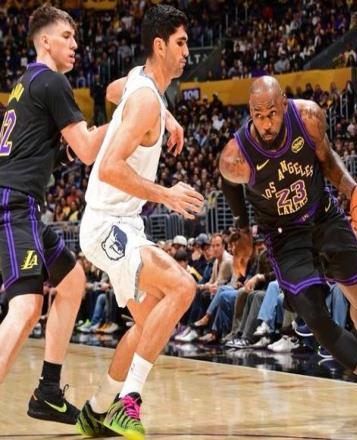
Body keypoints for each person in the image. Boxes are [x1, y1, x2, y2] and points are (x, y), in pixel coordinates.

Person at [219, 76, 357, 438]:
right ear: (250, 112)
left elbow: (328, 161)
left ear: (284, 104)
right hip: (285, 236)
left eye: (272, 113)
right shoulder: (236, 156)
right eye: (258, 115)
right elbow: (227, 182)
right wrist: (244, 232)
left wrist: (356, 195)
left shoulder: (308, 117)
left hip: (324, 215)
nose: (266, 123)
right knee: (314, 314)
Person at [75, 5, 204, 439]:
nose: (187, 52)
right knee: (182, 287)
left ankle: (96, 410)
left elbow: (115, 91)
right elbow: (110, 166)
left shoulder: (139, 82)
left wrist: (164, 114)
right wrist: (167, 194)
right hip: (107, 224)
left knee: (151, 325)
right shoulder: (147, 97)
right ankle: (128, 403)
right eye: (181, 43)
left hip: (121, 222)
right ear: (160, 45)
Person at [0, 5, 111, 424]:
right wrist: (128, 118)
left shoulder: (26, 82)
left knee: (72, 281)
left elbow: (51, 152)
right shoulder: (52, 80)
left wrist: (67, 151)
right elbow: (87, 150)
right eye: (67, 36)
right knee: (26, 306)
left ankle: (48, 391)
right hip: (13, 204)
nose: (75, 44)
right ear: (44, 41)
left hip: (22, 204)